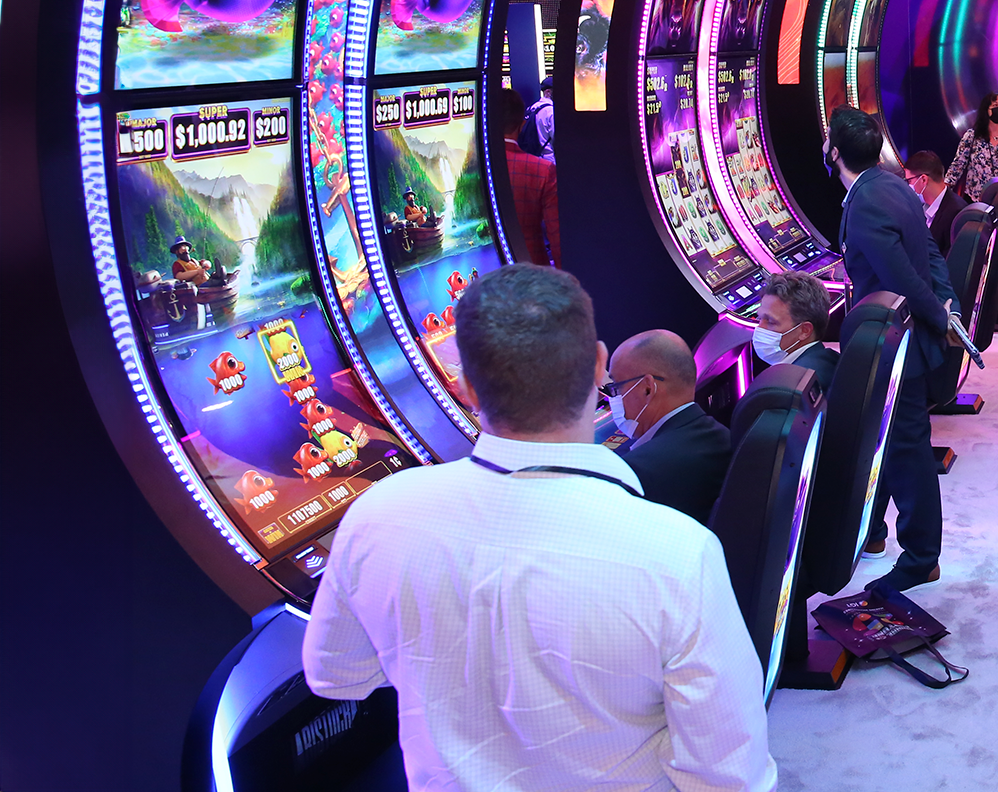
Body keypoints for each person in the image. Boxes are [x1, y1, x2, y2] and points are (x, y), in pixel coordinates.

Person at [305, 264, 776, 791]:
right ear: (599, 366)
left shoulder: (376, 514)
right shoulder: (678, 551)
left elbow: (336, 675)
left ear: (466, 389)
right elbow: (730, 774)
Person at [828, 108, 954, 592]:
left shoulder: (867, 202)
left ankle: (922, 556)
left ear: (835, 153)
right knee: (881, 440)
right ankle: (873, 531)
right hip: (900, 333)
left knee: (905, 448)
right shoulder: (894, 186)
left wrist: (942, 315)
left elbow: (902, 275)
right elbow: (930, 255)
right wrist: (947, 305)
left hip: (895, 341)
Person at [610, 328, 730, 524]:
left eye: (616, 387)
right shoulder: (723, 436)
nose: (614, 399)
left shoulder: (638, 471)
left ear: (648, 388)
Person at [495, 86, 561, 267]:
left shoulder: (474, 168)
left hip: (485, 279)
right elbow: (557, 238)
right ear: (522, 124)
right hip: (532, 271)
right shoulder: (543, 171)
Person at [756, 270, 839, 386]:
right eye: (759, 318)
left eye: (770, 321)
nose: (760, 328)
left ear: (805, 330)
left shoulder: (790, 386)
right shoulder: (826, 358)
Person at [944, 92, 998, 202]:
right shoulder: (972, 136)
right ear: (986, 110)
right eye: (995, 105)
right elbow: (958, 165)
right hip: (975, 200)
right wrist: (944, 190)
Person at [904, 150, 964, 253]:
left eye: (909, 181)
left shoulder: (956, 214)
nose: (909, 186)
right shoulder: (921, 208)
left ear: (923, 180)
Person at [520, 75, 556, 159]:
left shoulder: (533, 108)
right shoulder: (551, 111)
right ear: (548, 92)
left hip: (533, 158)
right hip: (549, 160)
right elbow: (558, 139)